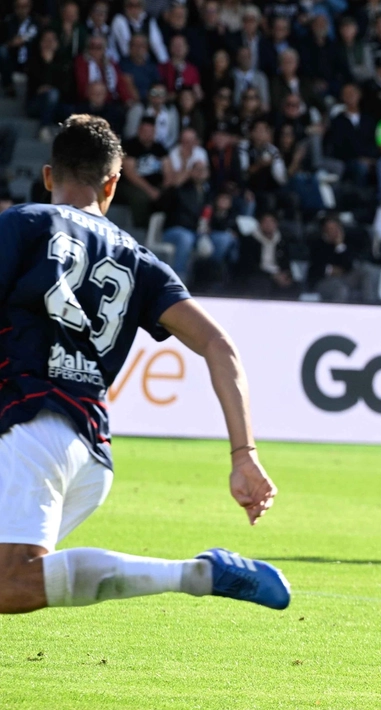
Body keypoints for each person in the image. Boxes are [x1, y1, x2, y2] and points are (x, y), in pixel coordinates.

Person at [0, 114, 289, 617]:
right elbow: (219, 345)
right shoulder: (140, 260)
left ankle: (196, 574)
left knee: (10, 583)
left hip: (26, 426)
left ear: (49, 176)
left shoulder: (21, 224)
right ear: (112, 184)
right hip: (89, 455)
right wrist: (244, 454)